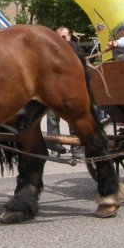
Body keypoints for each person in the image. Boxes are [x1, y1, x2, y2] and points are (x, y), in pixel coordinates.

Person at [46, 26, 73, 156]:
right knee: (52, 118)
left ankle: (77, 148)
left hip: (71, 92)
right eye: (58, 37)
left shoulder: (75, 52)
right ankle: (55, 147)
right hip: (55, 92)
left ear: (69, 37)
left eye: (64, 37)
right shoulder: (51, 54)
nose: (61, 40)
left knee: (74, 119)